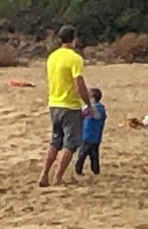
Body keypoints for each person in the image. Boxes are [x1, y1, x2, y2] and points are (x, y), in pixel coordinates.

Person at [39, 25, 93, 187]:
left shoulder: (52, 57)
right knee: (71, 143)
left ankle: (44, 174)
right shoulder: (75, 58)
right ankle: (58, 177)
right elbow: (79, 83)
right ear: (74, 39)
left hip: (54, 103)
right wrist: (88, 103)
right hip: (70, 105)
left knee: (55, 141)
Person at [75, 88, 106, 175]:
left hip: (88, 136)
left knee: (82, 155)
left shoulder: (94, 109)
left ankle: (79, 170)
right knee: (94, 156)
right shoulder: (100, 108)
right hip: (95, 137)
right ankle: (95, 171)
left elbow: (85, 115)